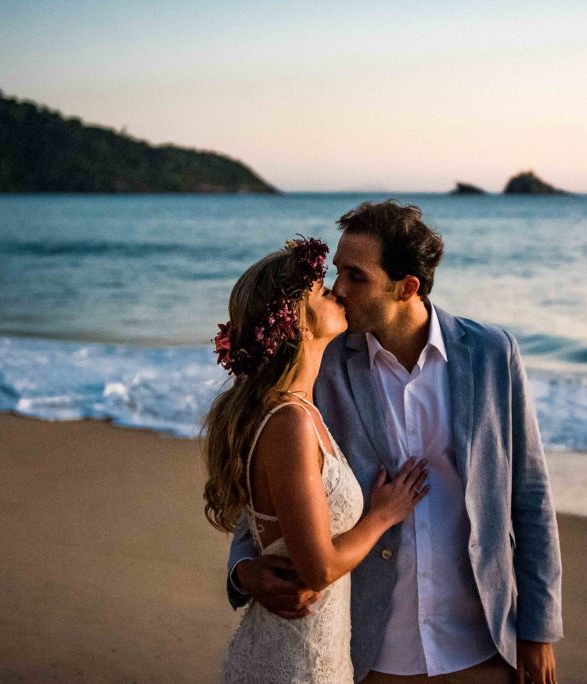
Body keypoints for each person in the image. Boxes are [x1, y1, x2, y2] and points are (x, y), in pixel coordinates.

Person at [226, 201, 563, 684]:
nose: (337, 289)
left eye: (356, 277)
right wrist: (243, 571)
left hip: (483, 642)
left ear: (406, 287)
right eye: (337, 270)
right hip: (370, 648)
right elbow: (271, 488)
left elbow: (529, 498)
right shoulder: (321, 363)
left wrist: (538, 629)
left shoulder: (491, 354)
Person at [204, 236, 432, 683]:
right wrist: (383, 515)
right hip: (295, 662)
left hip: (318, 649)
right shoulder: (289, 421)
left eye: (349, 278)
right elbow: (318, 568)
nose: (338, 290)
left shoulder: (300, 408)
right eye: (324, 290)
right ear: (298, 323)